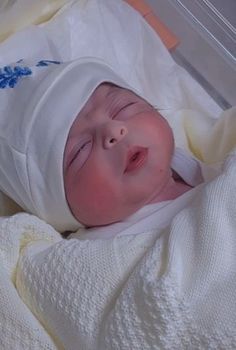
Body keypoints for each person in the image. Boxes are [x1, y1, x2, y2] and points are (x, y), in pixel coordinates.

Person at [0, 57, 209, 235]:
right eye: (81, 149)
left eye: (122, 107)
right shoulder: (96, 255)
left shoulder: (208, 151)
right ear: (58, 211)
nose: (114, 130)